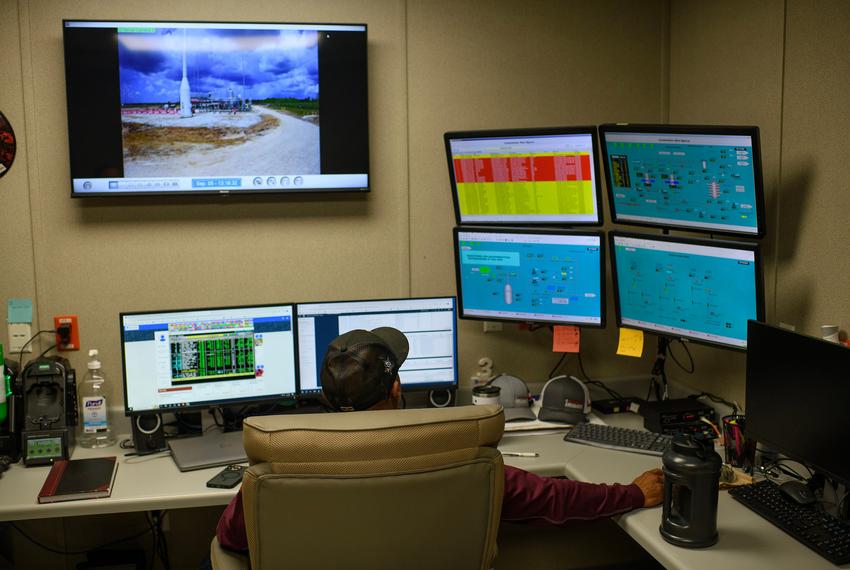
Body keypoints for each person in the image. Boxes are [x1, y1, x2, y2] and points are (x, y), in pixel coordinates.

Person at [216, 327, 663, 551]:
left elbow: (234, 537)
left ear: (325, 397)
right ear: (395, 391)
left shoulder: (285, 459)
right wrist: (631, 493)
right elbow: (551, 499)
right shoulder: (447, 446)